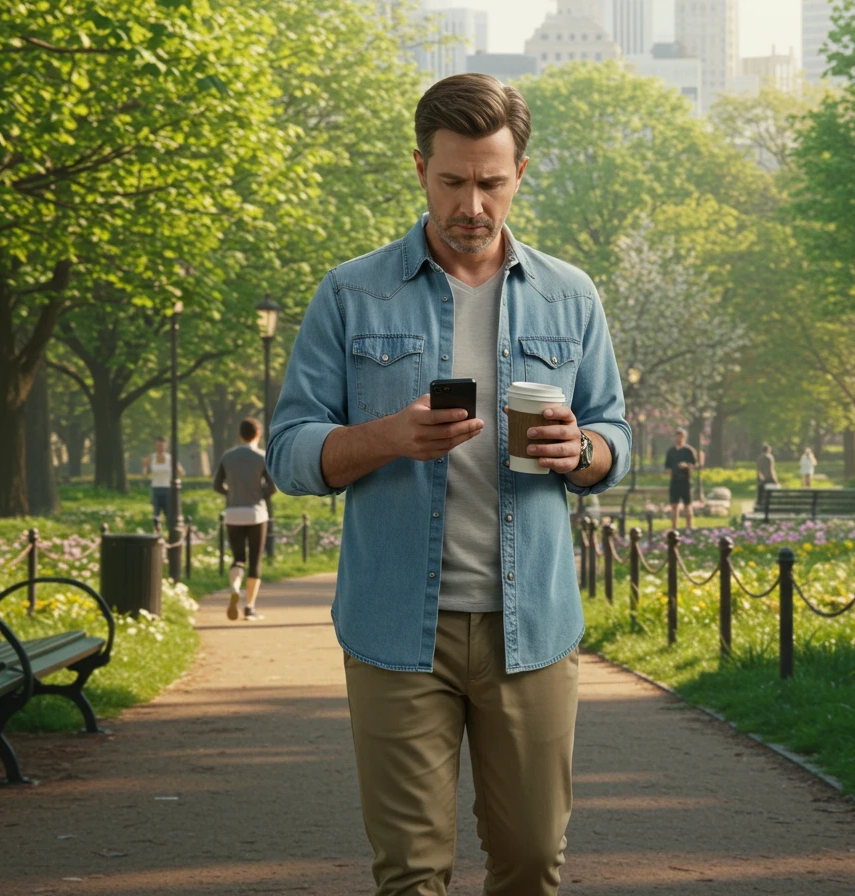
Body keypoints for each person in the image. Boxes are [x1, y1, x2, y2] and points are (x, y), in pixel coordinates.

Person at [266, 74, 630, 896]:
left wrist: (585, 450)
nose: (473, 204)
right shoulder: (351, 293)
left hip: (530, 626)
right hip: (398, 625)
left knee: (534, 859)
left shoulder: (571, 297)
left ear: (520, 175)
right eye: (454, 181)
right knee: (412, 873)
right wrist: (386, 437)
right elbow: (289, 452)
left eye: (492, 183)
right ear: (422, 169)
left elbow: (616, 435)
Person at [213, 418, 276, 622]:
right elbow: (272, 487)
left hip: (233, 513)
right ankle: (249, 608)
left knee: (238, 557)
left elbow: (217, 485)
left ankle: (234, 587)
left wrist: (231, 494)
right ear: (257, 434)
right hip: (256, 513)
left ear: (240, 434)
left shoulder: (227, 457)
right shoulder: (262, 457)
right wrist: (259, 496)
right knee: (255, 560)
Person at [141, 436, 183, 528]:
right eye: (158, 445)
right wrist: (144, 466)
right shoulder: (151, 458)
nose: (160, 448)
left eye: (162, 446)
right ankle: (157, 534)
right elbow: (145, 475)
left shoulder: (170, 458)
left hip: (167, 488)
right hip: (156, 488)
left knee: (169, 513)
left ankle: (170, 534)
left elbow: (181, 472)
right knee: (156, 513)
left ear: (165, 446)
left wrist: (176, 473)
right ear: (156, 446)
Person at [664, 428, 699, 530]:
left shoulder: (689, 451)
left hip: (685, 481)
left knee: (688, 505)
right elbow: (667, 467)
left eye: (681, 436)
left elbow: (694, 465)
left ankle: (689, 527)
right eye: (677, 436)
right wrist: (671, 473)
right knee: (674, 506)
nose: (679, 438)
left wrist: (687, 466)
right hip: (675, 481)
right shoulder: (671, 451)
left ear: (685, 437)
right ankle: (674, 528)